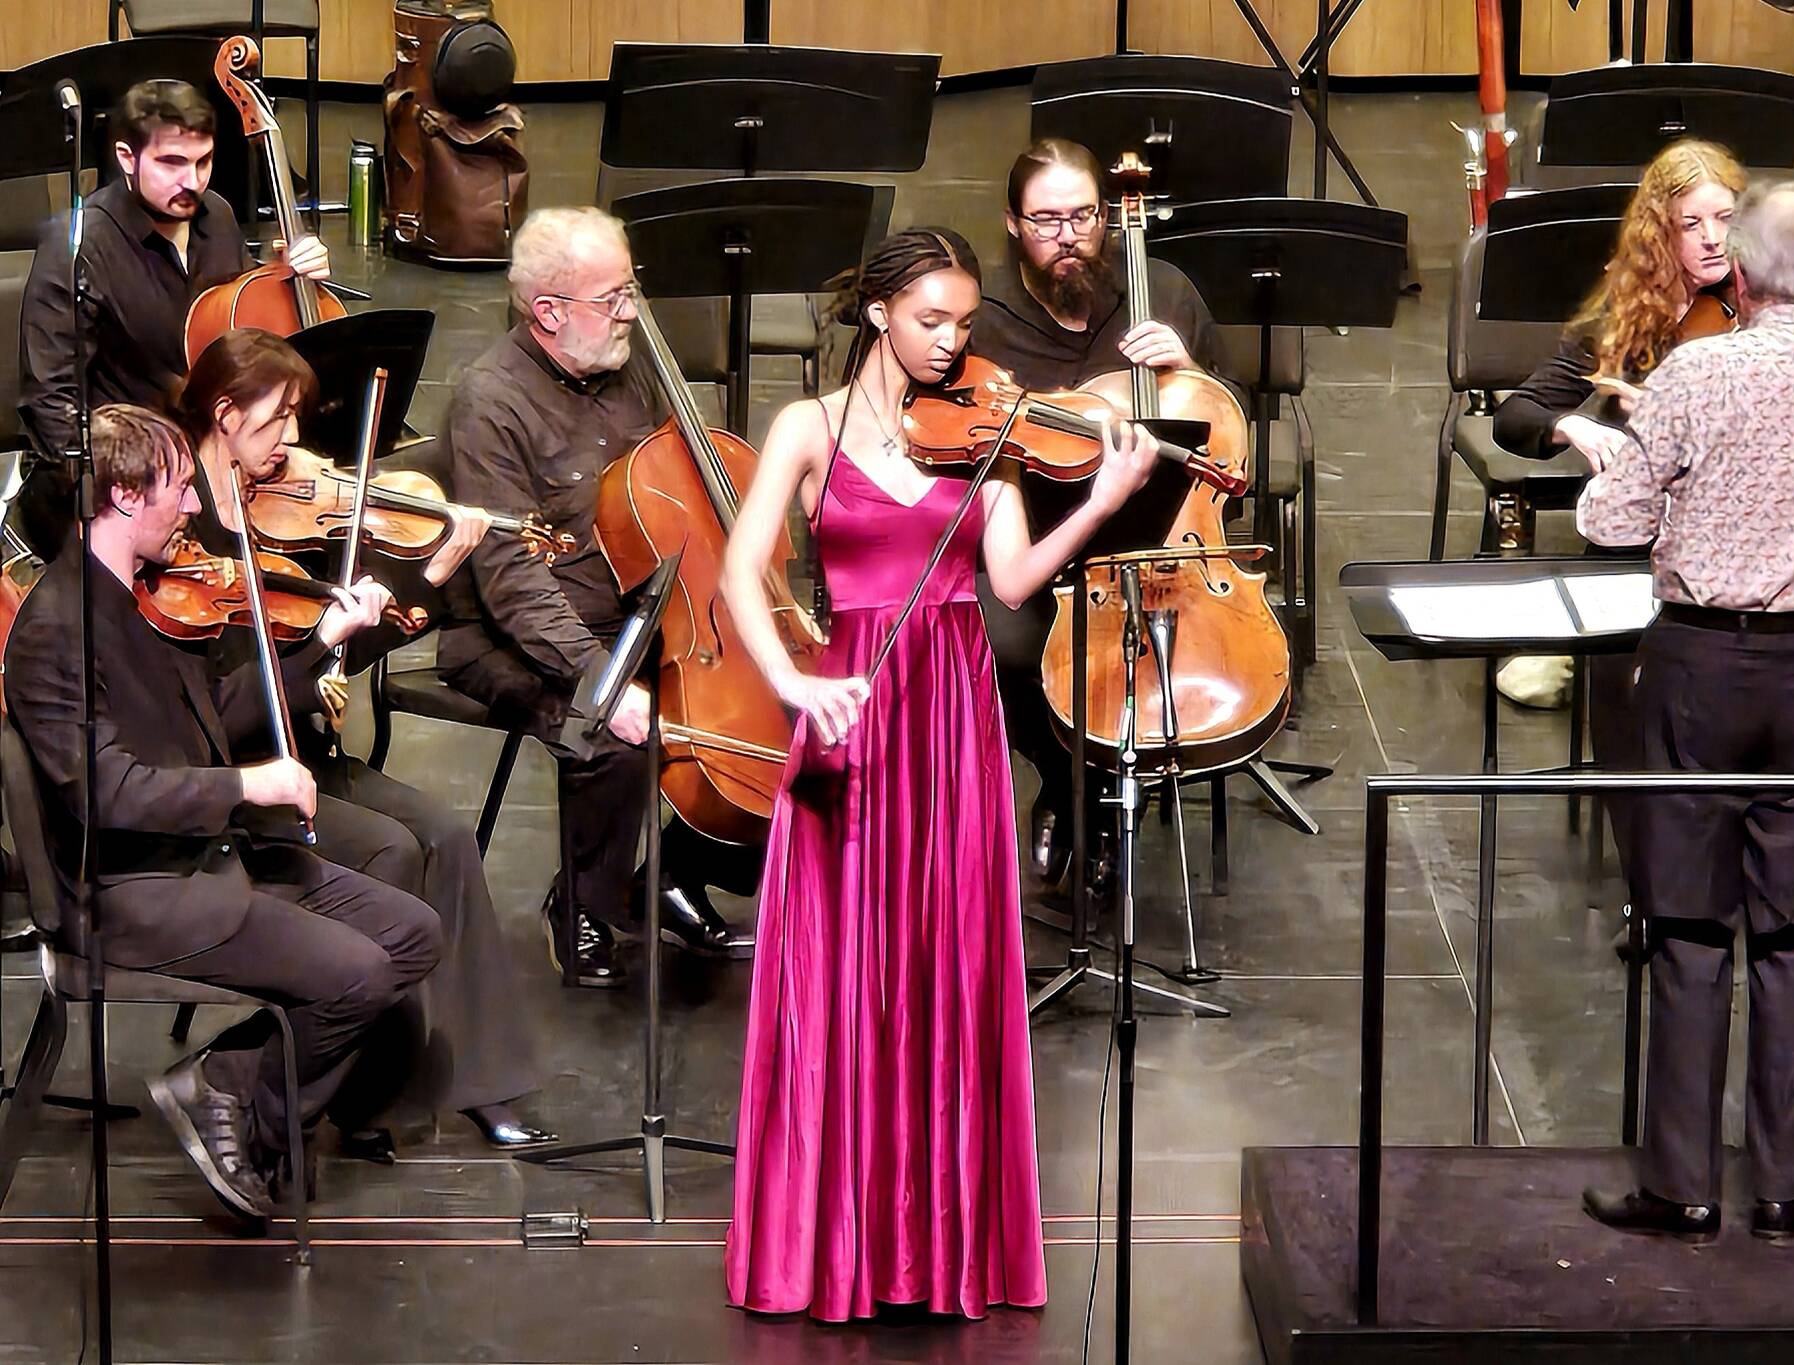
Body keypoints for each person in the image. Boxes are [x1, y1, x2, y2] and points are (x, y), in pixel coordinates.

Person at [720, 227, 1160, 1320]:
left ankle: (937, 1246)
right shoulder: (806, 427)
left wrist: (1100, 502)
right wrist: (789, 682)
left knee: (947, 969)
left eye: (961, 322)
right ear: (877, 313)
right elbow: (739, 570)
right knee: (839, 975)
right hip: (850, 701)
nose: (950, 341)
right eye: (930, 320)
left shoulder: (986, 429)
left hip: (953, 714)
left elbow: (1007, 582)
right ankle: (835, 1248)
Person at [4, 404, 441, 1220]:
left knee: (412, 930)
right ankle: (243, 1101)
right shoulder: (58, 630)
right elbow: (104, 793)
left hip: (203, 854)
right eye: (180, 489)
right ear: (126, 495)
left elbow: (214, 719)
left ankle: (229, 1084)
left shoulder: (141, 595)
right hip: (130, 889)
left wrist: (317, 651)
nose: (199, 505)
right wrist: (246, 786)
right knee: (359, 974)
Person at [1576, 183, 1794, 1242]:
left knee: (1684, 927)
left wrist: (1633, 476)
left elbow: (1612, 521)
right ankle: (1781, 1187)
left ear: (1745, 276)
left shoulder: (1699, 371)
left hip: (1705, 669)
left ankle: (1681, 1184)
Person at [169, 328, 554, 1153]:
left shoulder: (271, 508)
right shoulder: (186, 530)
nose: (294, 445)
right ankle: (367, 1089)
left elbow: (332, 648)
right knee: (390, 852)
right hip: (235, 772)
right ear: (224, 414)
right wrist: (318, 654)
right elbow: (232, 699)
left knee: (446, 835)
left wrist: (429, 578)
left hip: (301, 750)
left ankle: (478, 1079)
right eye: (277, 423)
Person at [437, 206, 744, 987]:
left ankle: (670, 872)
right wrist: (600, 679)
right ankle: (581, 899)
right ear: (548, 312)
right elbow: (511, 580)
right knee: (610, 734)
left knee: (758, 713)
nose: (630, 313)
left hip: (641, 612)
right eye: (612, 299)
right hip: (514, 635)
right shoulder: (489, 402)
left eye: (630, 290)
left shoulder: (632, 364)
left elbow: (684, 484)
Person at [967, 136, 1222, 881]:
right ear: (1013, 224)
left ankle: (1113, 778)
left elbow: (1226, 424)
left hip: (1156, 541)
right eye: (1045, 221)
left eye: (1082, 215)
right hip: (1038, 546)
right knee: (994, 643)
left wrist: (1190, 368)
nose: (1068, 236)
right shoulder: (981, 318)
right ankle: (1069, 776)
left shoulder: (1163, 289)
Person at [17, 78, 331, 559]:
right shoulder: (77, 246)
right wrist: (129, 496)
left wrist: (290, 281)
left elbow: (242, 347)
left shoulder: (218, 218)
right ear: (126, 158)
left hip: (218, 453)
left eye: (203, 161)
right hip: (138, 476)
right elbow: (50, 403)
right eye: (171, 163)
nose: (192, 181)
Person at [1490, 139, 1746, 713]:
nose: (1713, 237)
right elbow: (1515, 416)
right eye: (1692, 223)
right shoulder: (1626, 314)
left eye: (1726, 219)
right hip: (1636, 532)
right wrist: (1573, 428)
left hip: (1728, 531)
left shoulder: (1759, 308)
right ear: (1661, 232)